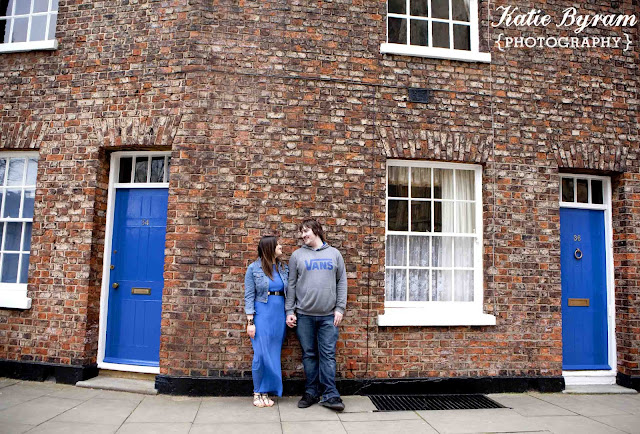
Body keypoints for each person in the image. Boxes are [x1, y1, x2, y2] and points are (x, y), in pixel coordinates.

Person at [285, 219, 347, 412]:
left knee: (328, 355)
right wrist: (290, 311)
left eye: (306, 231)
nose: (303, 235)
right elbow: (291, 285)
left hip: (329, 316)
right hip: (304, 316)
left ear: (317, 231)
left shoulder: (334, 254)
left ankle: (330, 394)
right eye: (301, 233)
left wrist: (340, 308)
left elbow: (342, 282)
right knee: (309, 355)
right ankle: (311, 392)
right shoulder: (297, 256)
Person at [244, 235, 288, 407]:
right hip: (262, 313)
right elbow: (249, 296)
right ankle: (257, 391)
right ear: (269, 248)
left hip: (279, 315)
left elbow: (289, 292)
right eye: (278, 245)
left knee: (273, 354)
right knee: (260, 355)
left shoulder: (283, 268)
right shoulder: (253, 269)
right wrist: (250, 322)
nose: (281, 247)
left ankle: (266, 392)